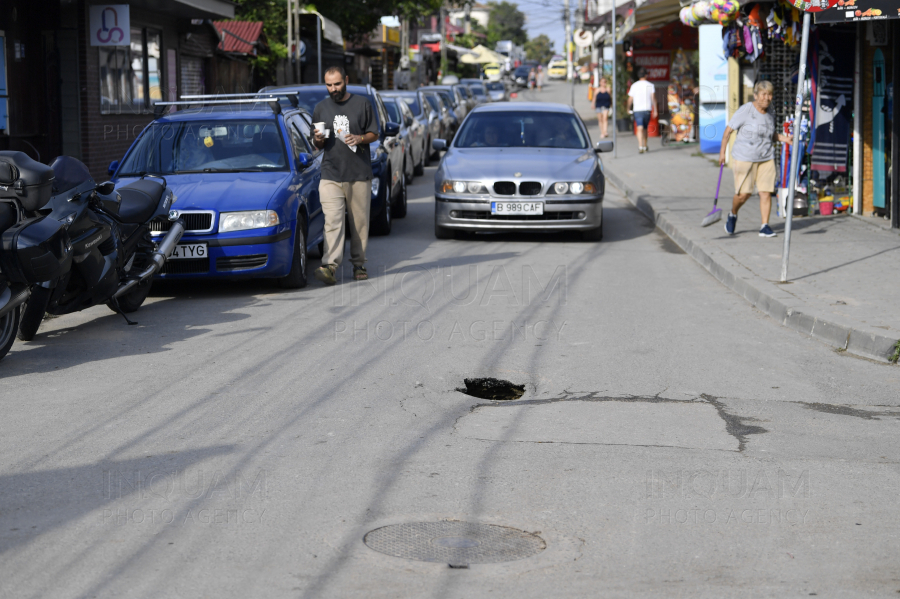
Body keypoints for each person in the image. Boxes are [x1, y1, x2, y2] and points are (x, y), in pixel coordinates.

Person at [311, 65, 378, 284]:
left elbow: (374, 133)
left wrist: (359, 139)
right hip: (331, 173)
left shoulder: (362, 104)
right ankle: (330, 265)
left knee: (359, 223)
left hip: (358, 173)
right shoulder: (321, 108)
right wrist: (318, 139)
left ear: (346, 80)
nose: (333, 89)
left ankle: (359, 264)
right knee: (332, 221)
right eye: (329, 85)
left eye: (337, 84)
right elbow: (317, 144)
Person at [719, 80, 793, 238]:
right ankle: (733, 214)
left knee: (765, 192)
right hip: (744, 157)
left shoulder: (770, 113)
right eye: (763, 94)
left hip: (766, 157)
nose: (767, 98)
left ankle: (764, 226)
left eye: (770, 94)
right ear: (756, 95)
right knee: (743, 194)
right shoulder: (746, 110)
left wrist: (784, 139)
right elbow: (728, 131)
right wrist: (722, 153)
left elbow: (769, 135)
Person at [626, 67, 656, 154]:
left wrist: (628, 108)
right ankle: (645, 145)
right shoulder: (650, 85)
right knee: (645, 128)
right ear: (646, 75)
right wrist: (656, 110)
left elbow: (630, 99)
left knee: (639, 128)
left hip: (637, 110)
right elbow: (653, 98)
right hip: (647, 109)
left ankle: (640, 146)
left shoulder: (634, 85)